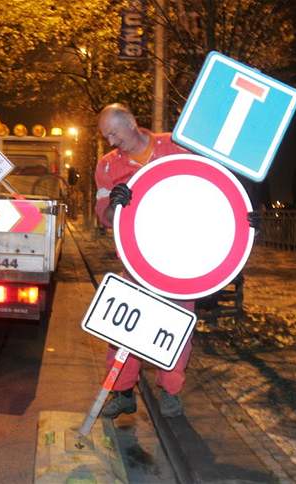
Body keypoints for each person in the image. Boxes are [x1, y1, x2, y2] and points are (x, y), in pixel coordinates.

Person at [94, 103, 195, 418]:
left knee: (176, 328)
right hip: (136, 261)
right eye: (105, 136)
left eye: (113, 133)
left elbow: (207, 186)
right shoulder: (107, 167)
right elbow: (105, 217)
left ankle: (170, 392)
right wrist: (115, 205)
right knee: (124, 329)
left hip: (180, 259)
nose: (111, 141)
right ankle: (122, 392)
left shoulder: (175, 146)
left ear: (131, 122)